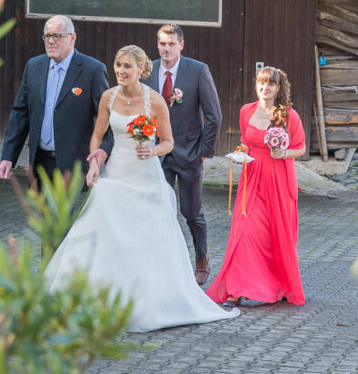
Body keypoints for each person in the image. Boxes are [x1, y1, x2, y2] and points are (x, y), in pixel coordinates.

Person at [45, 45, 237, 332]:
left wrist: (155, 151)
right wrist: (95, 163)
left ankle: (146, 302)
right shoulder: (108, 97)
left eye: (127, 67)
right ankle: (97, 298)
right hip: (116, 173)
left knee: (144, 239)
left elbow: (168, 142)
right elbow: (97, 137)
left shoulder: (156, 101)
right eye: (118, 65)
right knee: (103, 234)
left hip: (145, 177)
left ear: (140, 70)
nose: (121, 71)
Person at [207, 66, 306, 307]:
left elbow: (301, 148)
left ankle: (279, 285)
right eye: (262, 83)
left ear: (279, 88)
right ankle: (235, 289)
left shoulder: (288, 115)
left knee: (274, 234)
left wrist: (284, 153)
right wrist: (239, 153)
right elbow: (245, 142)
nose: (265, 87)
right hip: (251, 177)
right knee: (245, 231)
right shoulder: (246, 111)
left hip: (278, 179)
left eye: (271, 84)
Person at [0, 15, 111, 188]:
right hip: (40, 163)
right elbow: (20, 113)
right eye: (47, 36)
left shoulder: (93, 70)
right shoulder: (34, 67)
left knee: (63, 215)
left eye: (57, 36)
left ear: (72, 38)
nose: (51, 41)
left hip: (73, 166)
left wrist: (103, 151)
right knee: (43, 214)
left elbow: (107, 117)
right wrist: (8, 156)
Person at [148, 23, 222, 285]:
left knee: (192, 213)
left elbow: (214, 116)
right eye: (161, 43)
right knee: (162, 210)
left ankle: (202, 256)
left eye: (170, 44)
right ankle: (167, 262)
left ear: (181, 44)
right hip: (157, 155)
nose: (165, 49)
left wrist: (202, 151)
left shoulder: (198, 71)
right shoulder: (149, 70)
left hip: (188, 152)